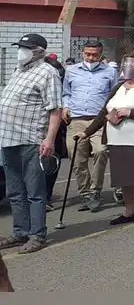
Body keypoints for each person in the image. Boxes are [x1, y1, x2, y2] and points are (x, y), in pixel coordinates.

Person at [76, 53, 134, 227]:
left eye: (132, 65)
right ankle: (129, 210)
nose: (128, 68)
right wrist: (87, 132)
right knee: (124, 177)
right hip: (116, 140)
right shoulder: (118, 87)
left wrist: (131, 113)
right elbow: (103, 113)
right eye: (125, 64)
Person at [0, 34, 62, 254]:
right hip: (8, 140)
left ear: (39, 52)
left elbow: (55, 110)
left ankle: (37, 235)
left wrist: (49, 139)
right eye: (20, 47)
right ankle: (20, 231)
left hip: (31, 141)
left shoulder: (48, 73)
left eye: (26, 48)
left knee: (35, 192)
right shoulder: (19, 70)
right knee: (15, 191)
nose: (21, 51)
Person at [61, 40, 118, 213]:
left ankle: (95, 191)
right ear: (83, 53)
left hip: (98, 121)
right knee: (77, 158)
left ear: (101, 55)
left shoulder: (110, 71)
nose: (91, 58)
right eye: (87, 54)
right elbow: (66, 92)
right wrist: (65, 106)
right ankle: (84, 193)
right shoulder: (71, 71)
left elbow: (114, 94)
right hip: (76, 119)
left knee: (101, 151)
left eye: (94, 55)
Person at [42, 54, 67, 212]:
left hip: (55, 129)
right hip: (36, 127)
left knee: (51, 164)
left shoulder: (60, 79)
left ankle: (46, 196)